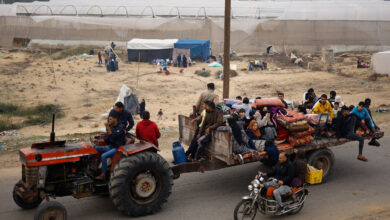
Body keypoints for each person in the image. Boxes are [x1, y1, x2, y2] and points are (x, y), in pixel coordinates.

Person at [95, 114, 125, 180]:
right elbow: (108, 138)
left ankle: (103, 174)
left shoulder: (120, 127)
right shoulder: (112, 127)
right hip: (111, 146)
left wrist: (108, 127)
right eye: (109, 119)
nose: (109, 120)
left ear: (115, 119)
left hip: (117, 148)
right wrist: (100, 140)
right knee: (95, 148)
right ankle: (93, 167)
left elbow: (113, 138)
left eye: (111, 119)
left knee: (104, 156)